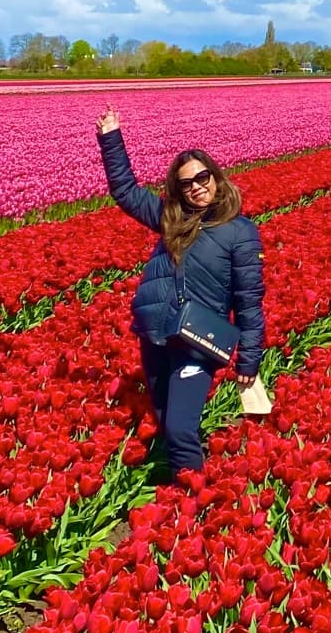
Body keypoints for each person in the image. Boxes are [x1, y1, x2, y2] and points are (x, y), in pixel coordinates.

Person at [95, 107, 265, 481]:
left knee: (180, 429)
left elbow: (249, 302)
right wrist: (111, 138)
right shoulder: (171, 220)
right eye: (187, 183)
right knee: (164, 414)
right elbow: (125, 192)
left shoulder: (240, 232)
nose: (197, 186)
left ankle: (191, 501)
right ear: (178, 190)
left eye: (203, 177)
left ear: (216, 179)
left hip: (198, 342)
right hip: (156, 334)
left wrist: (249, 360)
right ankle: (176, 486)